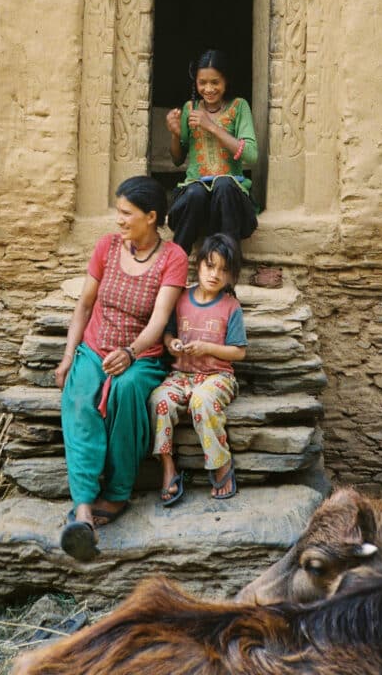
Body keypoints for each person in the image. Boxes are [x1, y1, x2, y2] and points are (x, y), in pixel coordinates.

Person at [56, 176, 188, 561]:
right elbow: (84, 306)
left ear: (151, 217)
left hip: (141, 355)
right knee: (79, 397)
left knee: (128, 392)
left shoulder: (173, 257)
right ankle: (82, 508)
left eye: (126, 213)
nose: (119, 220)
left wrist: (130, 353)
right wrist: (69, 356)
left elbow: (159, 319)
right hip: (95, 347)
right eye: (118, 212)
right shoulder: (106, 247)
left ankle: (116, 493)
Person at [149, 233, 246, 505]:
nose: (215, 274)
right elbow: (167, 335)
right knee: (159, 400)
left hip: (218, 377)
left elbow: (239, 352)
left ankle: (220, 463)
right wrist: (173, 344)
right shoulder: (181, 298)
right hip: (181, 375)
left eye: (224, 270)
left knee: (202, 401)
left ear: (231, 276)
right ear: (199, 264)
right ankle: (168, 466)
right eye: (210, 265)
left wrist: (208, 348)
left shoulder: (231, 307)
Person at [166, 49, 258, 255]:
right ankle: (175, 264)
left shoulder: (239, 106)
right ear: (196, 82)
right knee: (196, 191)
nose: (208, 89)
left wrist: (212, 127)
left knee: (224, 184)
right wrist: (175, 134)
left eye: (215, 82)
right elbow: (177, 159)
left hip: (230, 204)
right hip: (194, 202)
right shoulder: (189, 109)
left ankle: (227, 266)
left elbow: (251, 155)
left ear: (226, 81)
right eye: (202, 83)